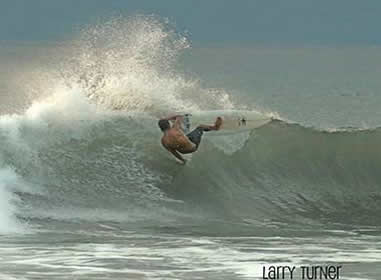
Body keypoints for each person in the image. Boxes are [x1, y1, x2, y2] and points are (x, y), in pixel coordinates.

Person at [158, 115, 222, 164]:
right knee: (200, 127)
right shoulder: (175, 128)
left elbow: (174, 152)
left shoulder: (163, 141)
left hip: (183, 151)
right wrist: (167, 118)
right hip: (193, 146)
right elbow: (179, 116)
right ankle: (215, 128)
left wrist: (183, 160)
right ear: (168, 125)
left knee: (184, 134)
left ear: (161, 128)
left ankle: (187, 123)